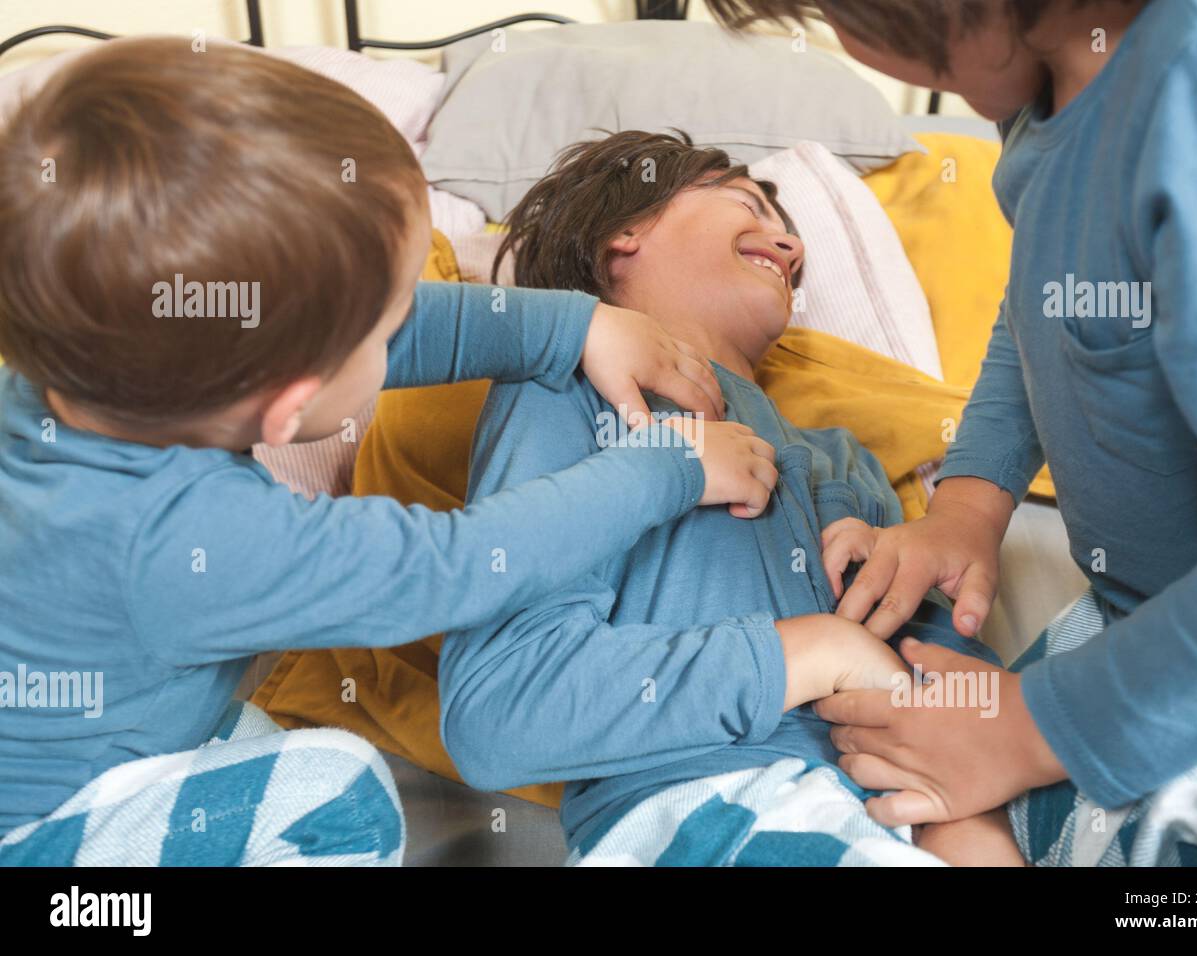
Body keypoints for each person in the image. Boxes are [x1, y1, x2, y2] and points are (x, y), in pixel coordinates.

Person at [0, 39, 778, 865]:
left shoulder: (82, 371)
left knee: (245, 741)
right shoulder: (196, 539)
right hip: (49, 847)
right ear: (291, 405)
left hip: (89, 752)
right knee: (335, 790)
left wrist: (574, 324)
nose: (407, 326)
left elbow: (382, 333)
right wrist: (667, 468)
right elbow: (463, 560)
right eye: (385, 324)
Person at [706, 0, 1197, 865]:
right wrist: (970, 505)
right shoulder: (1038, 102)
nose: (842, 40)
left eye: (839, 10)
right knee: (912, 782)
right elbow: (1044, 314)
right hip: (1144, 624)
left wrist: (1025, 731)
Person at [439, 130, 1021, 866]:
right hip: (702, 802)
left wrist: (975, 818)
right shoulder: (566, 389)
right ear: (625, 233)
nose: (790, 245)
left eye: (794, 239)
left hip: (906, 803)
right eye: (748, 203)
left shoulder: (843, 458)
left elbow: (941, 680)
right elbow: (499, 711)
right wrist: (812, 652)